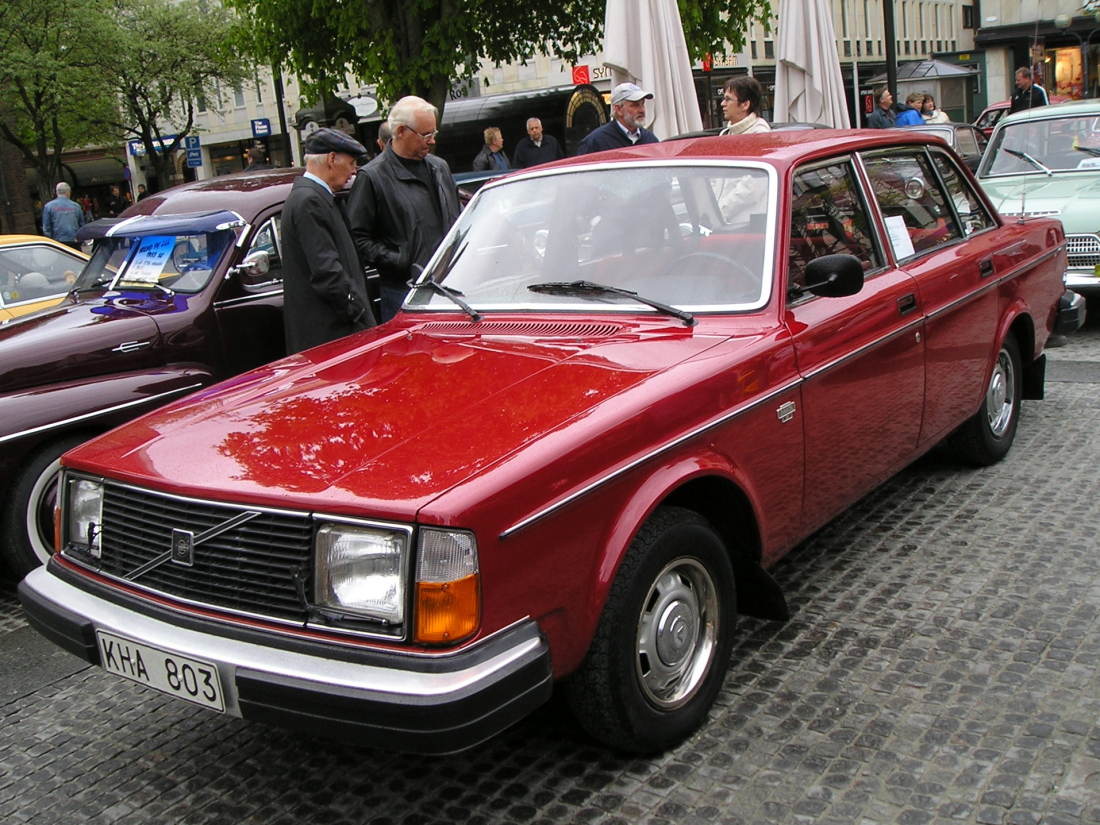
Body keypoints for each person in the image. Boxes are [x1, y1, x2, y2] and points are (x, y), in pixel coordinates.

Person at [348, 95, 462, 322]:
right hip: (404, 293)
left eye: (434, 133)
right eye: (425, 134)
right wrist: (400, 260)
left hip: (452, 286)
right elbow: (357, 240)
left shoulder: (439, 167)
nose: (432, 141)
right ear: (401, 131)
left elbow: (459, 219)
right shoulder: (372, 177)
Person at [281, 127, 375, 353]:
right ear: (332, 159)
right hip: (332, 335)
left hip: (333, 332)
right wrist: (359, 314)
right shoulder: (309, 201)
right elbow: (327, 272)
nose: (354, 171)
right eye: (351, 163)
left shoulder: (314, 197)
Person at [576, 82, 660, 154]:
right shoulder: (596, 142)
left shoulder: (650, 139)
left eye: (642, 104)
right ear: (618, 109)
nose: (642, 110)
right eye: (635, 105)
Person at [41, 182, 85, 249]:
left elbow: (46, 228)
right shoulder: (76, 206)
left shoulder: (48, 206)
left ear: (57, 192)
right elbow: (82, 225)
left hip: (58, 241)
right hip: (74, 240)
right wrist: (80, 240)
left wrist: (51, 242)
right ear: (68, 192)